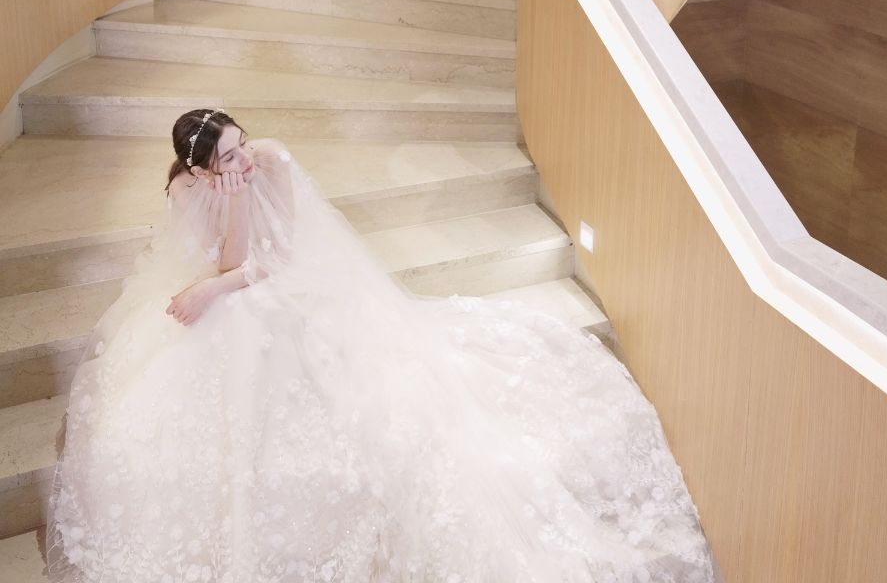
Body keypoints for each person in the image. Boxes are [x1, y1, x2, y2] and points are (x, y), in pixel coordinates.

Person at [44, 108, 719, 582]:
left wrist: (223, 266)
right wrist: (221, 257)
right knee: (219, 330)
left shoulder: (271, 162)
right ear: (198, 167)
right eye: (227, 158)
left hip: (292, 281)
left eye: (240, 144)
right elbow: (224, 260)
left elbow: (271, 262)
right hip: (245, 276)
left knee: (236, 313)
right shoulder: (190, 190)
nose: (243, 159)